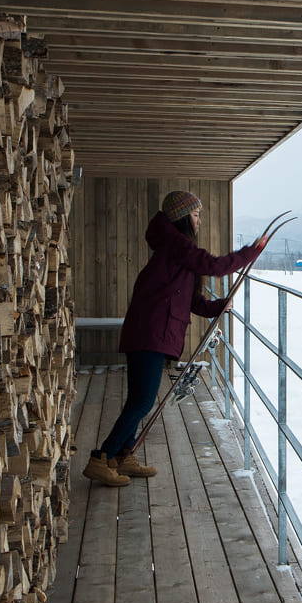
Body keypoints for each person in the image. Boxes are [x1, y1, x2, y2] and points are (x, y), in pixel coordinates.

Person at [83, 190, 268, 487]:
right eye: (195, 215)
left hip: (152, 331)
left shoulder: (174, 250)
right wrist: (251, 253)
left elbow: (191, 301)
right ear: (183, 217)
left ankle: (122, 456)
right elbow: (215, 266)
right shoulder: (174, 244)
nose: (199, 221)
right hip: (150, 333)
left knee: (138, 399)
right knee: (142, 402)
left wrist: (218, 306)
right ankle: (101, 458)